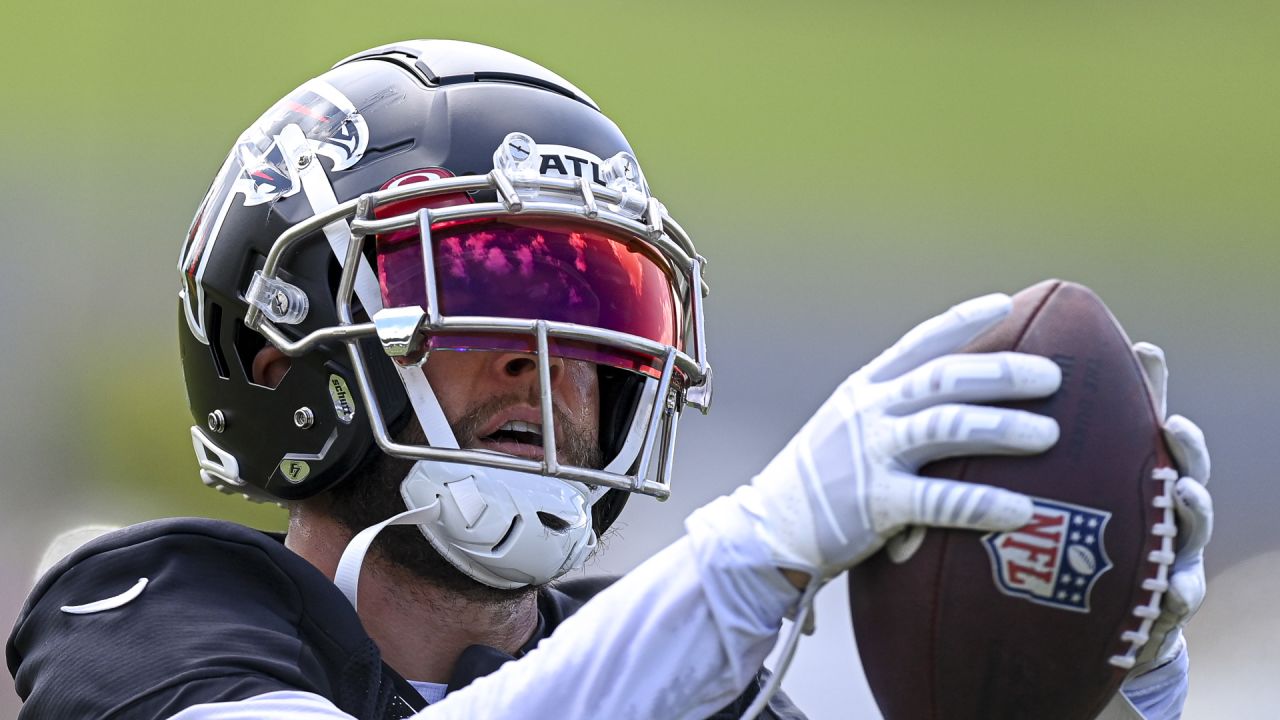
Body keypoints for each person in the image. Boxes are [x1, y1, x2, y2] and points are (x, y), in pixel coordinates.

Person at [7, 40, 1212, 719]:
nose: (551, 364)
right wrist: (743, 562)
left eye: (595, 305)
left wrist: (1110, 692)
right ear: (281, 353)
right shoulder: (147, 616)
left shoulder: (695, 684)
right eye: (476, 287)